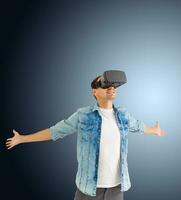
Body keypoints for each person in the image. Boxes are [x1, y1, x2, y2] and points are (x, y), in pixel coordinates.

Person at [5, 73, 166, 200]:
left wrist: (154, 130)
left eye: (112, 85)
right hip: (88, 189)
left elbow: (138, 126)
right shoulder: (83, 115)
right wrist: (23, 138)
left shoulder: (123, 114)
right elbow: (55, 131)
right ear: (94, 91)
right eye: (104, 85)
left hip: (116, 189)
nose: (110, 87)